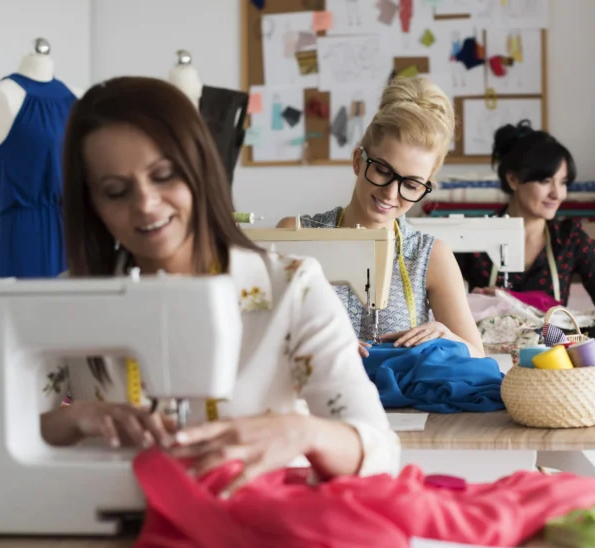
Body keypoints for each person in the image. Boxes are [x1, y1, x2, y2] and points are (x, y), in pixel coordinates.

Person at [38, 76, 400, 492]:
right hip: (113, 534)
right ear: (92, 205)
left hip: (253, 533)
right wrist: (71, 419)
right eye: (115, 191)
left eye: (164, 175)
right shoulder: (72, 300)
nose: (145, 204)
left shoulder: (292, 289)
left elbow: (381, 452)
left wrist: (303, 432)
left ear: (199, 168)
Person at [278, 77, 484, 358]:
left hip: (403, 403)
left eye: (411, 185)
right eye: (383, 171)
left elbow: (477, 354)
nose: (390, 193)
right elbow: (260, 336)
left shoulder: (429, 255)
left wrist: (448, 339)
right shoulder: (295, 234)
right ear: (357, 161)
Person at [454, 120, 595, 308]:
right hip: (487, 351)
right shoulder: (476, 236)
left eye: (563, 182)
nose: (557, 194)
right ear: (513, 180)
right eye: (545, 181)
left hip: (552, 353)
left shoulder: (568, 237)